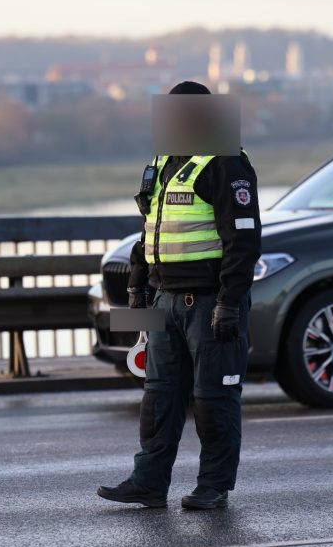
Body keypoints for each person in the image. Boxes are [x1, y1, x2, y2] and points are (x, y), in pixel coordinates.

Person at [98, 81, 261, 509]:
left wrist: (229, 303)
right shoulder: (165, 162)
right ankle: (148, 483)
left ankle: (213, 486)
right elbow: (152, 230)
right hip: (163, 301)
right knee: (158, 397)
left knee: (213, 399)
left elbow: (243, 242)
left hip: (210, 303)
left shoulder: (226, 163)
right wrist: (137, 285)